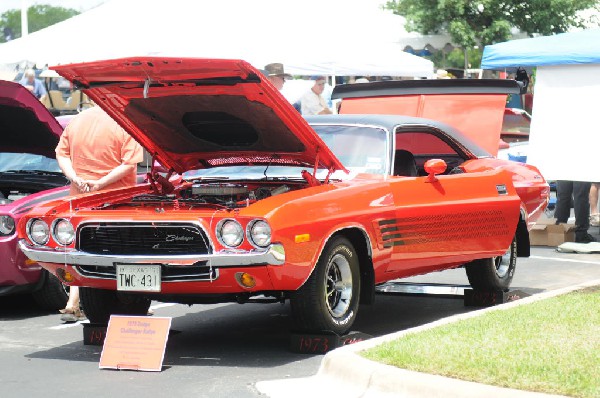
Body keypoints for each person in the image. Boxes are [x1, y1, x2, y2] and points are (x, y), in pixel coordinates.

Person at [55, 106, 144, 322]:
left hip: (80, 197)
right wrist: (101, 183)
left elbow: (61, 154)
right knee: (121, 252)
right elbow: (130, 163)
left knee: (81, 249)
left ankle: (72, 302)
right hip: (116, 200)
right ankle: (135, 299)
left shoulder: (77, 121)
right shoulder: (124, 122)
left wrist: (75, 178)